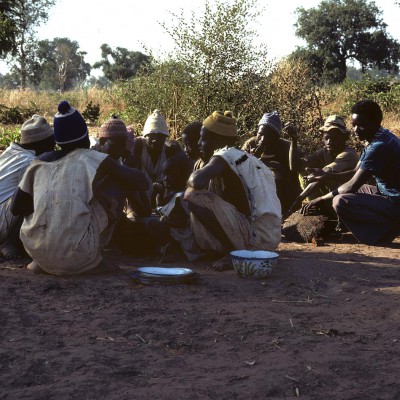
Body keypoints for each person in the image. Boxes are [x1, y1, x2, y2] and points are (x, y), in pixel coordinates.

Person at [10, 101, 148, 275]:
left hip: (35, 250)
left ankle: (47, 256)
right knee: (117, 187)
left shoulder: (38, 162)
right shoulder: (93, 158)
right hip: (78, 254)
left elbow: (16, 208)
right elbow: (142, 183)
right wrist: (129, 162)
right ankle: (93, 260)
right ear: (84, 136)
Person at [185, 110, 282, 271]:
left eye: (203, 139)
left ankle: (233, 253)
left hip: (254, 239)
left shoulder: (223, 155)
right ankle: (229, 248)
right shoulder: (249, 159)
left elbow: (196, 181)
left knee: (191, 195)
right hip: (268, 239)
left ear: (217, 140)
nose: (199, 144)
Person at [301, 100, 400, 245]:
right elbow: (355, 172)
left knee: (340, 201)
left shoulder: (379, 146)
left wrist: (321, 199)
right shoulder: (378, 136)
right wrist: (328, 176)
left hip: (395, 201)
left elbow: (351, 186)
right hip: (389, 194)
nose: (355, 130)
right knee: (350, 189)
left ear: (375, 122)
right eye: (353, 125)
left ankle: (384, 231)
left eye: (361, 125)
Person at [0, 115, 55, 259]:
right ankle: (10, 241)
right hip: (1, 221)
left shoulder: (11, 152)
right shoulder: (29, 162)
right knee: (38, 195)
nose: (53, 147)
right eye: (51, 142)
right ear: (41, 143)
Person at [287, 115, 359, 216]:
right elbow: (296, 167)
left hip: (348, 200)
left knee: (324, 177)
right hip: (332, 198)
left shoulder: (349, 154)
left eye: (334, 138)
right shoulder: (324, 152)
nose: (329, 141)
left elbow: (326, 173)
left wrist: (300, 198)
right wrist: (294, 141)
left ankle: (336, 216)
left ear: (343, 138)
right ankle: (319, 211)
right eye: (327, 138)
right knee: (304, 173)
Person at [242, 111, 301, 215]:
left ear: (276, 137)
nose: (263, 139)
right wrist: (252, 158)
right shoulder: (251, 144)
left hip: (282, 193)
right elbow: (240, 167)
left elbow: (295, 172)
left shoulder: (286, 147)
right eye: (260, 134)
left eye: (269, 136)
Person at [146, 154, 200, 261]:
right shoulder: (174, 193)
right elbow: (161, 209)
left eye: (171, 175)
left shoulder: (181, 197)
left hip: (184, 238)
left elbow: (181, 222)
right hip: (179, 235)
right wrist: (159, 194)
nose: (165, 179)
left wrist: (165, 221)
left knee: (152, 224)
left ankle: (175, 250)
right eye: (165, 174)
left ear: (185, 176)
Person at [130, 109, 183, 204]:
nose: (155, 140)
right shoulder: (138, 145)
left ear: (165, 137)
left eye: (159, 136)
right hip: (141, 192)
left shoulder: (170, 149)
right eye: (152, 135)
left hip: (162, 194)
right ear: (145, 136)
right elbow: (135, 175)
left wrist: (161, 186)